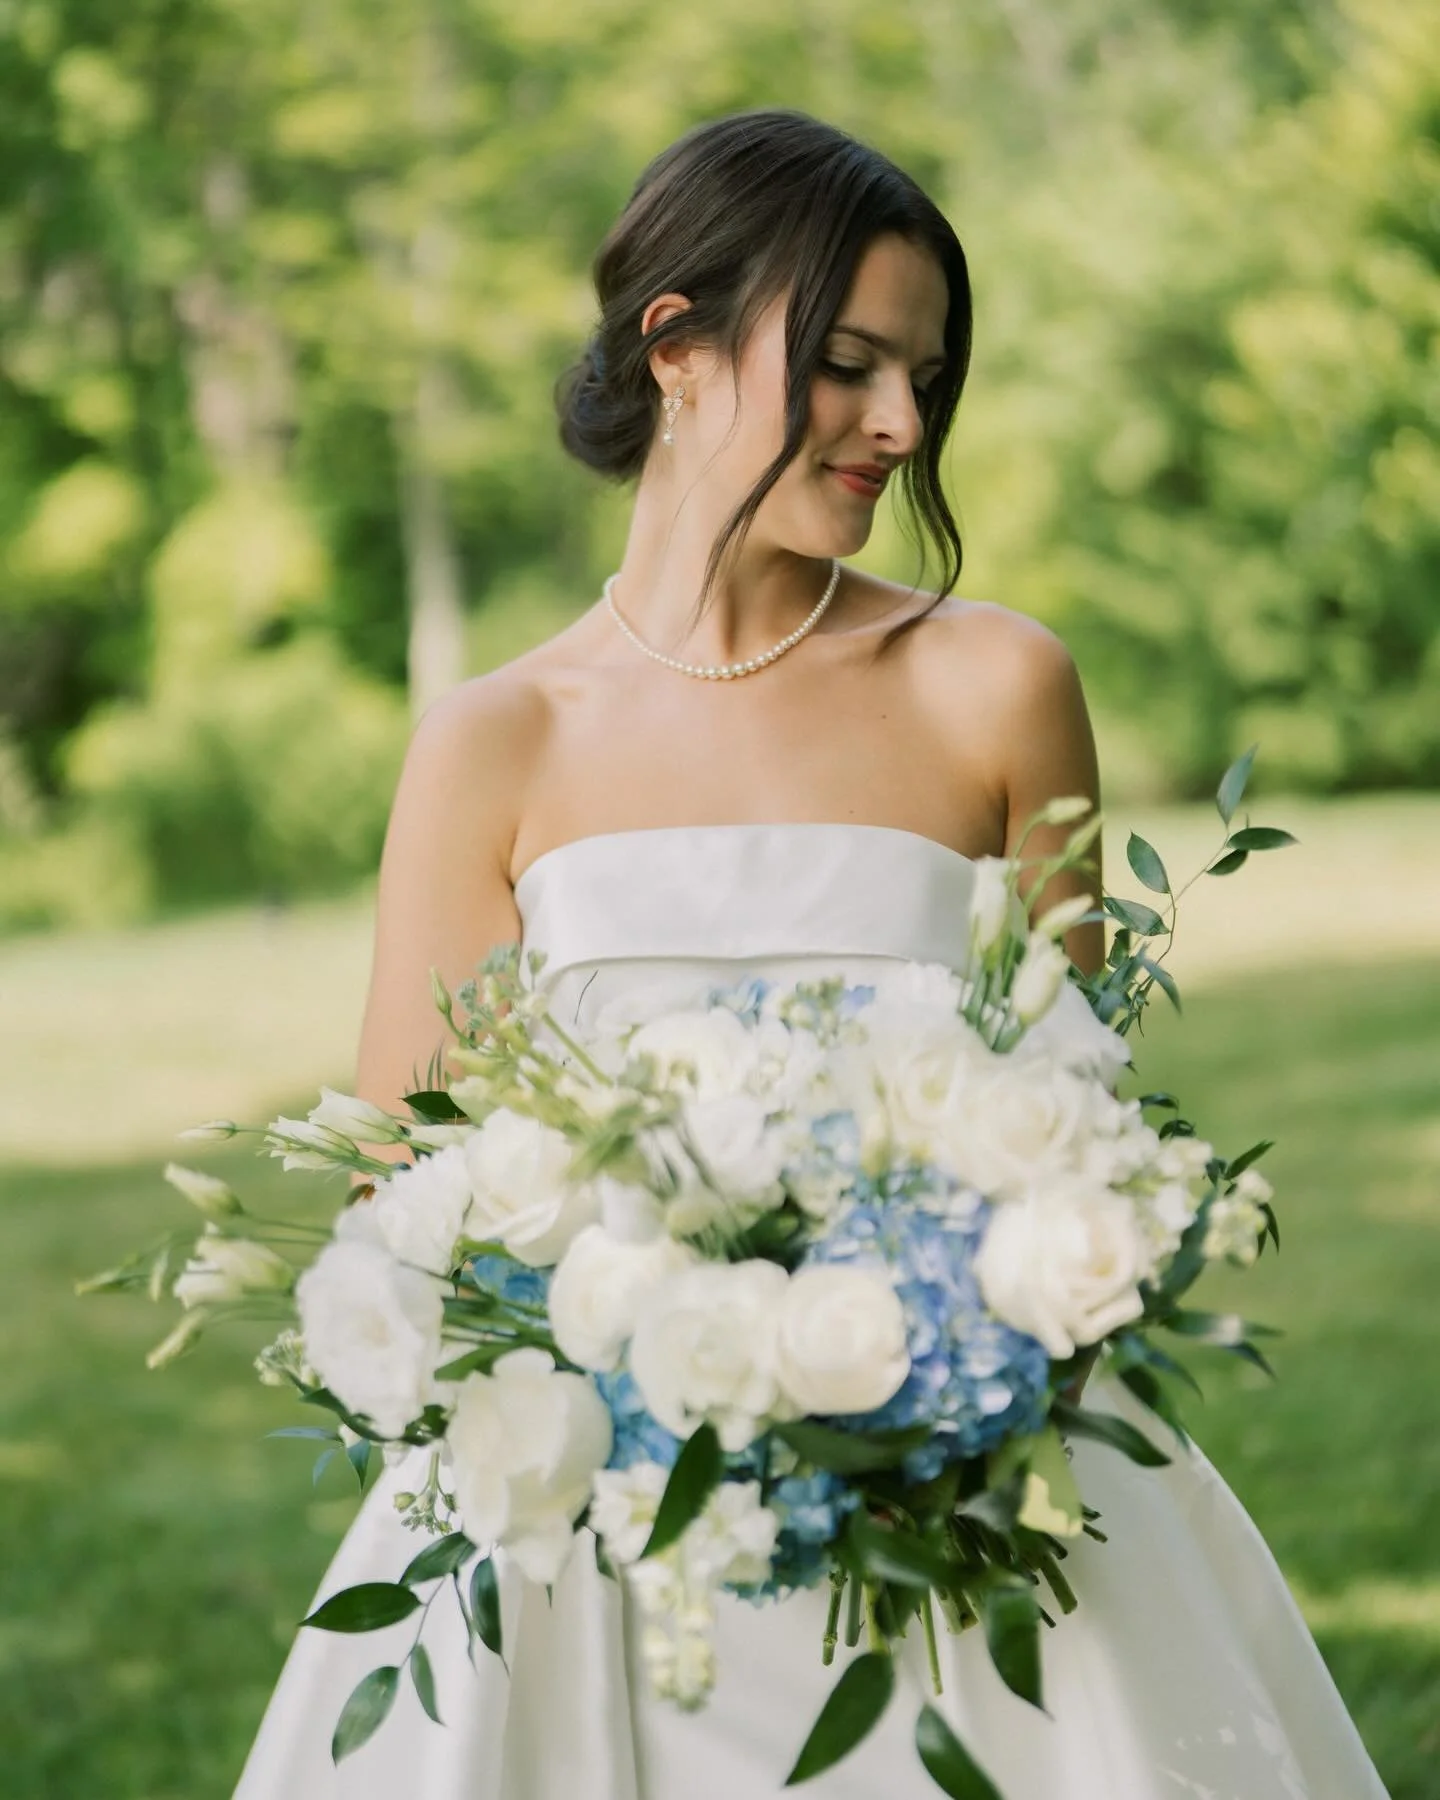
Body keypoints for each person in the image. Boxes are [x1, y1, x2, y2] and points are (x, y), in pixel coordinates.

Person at [233, 108, 1390, 1799]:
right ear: (677, 346)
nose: (901, 424)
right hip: (608, 1537)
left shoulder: (993, 686)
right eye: (850, 365)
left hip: (970, 1508)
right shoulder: (494, 742)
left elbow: (1094, 1140)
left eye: (924, 377)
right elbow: (398, 1199)